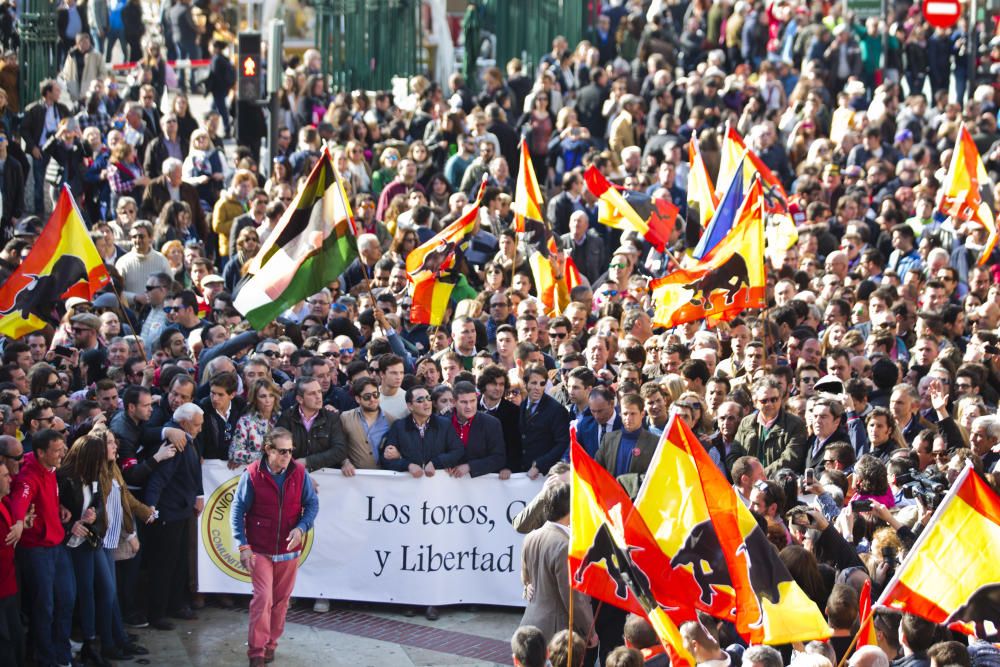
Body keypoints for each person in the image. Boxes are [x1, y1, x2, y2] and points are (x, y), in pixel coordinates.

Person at [231, 427, 319, 667]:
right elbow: (238, 510)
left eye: (291, 451)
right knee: (263, 598)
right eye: (282, 451)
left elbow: (312, 504)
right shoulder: (252, 474)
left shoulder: (299, 473)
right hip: (260, 549)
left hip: (288, 550)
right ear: (268, 450)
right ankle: (256, 652)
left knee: (281, 601)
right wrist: (242, 545)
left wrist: (301, 528)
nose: (287, 456)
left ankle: (271, 644)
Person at [7, 428, 76, 667]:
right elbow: (21, 500)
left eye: (62, 448)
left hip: (57, 546)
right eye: (57, 451)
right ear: (40, 452)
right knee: (44, 607)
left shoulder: (50, 468)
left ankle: (62, 654)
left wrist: (60, 507)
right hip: (37, 551)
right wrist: (16, 522)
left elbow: (48, 496)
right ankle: (46, 659)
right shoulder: (28, 475)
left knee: (66, 600)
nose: (62, 454)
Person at [143, 402, 204, 631]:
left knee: (178, 562)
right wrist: (150, 507)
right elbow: (159, 478)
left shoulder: (187, 437)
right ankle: (157, 613)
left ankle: (176, 604)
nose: (199, 429)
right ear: (184, 423)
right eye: (196, 424)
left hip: (181, 509)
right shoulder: (175, 440)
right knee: (164, 564)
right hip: (168, 512)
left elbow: (195, 470)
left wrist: (198, 494)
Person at [518, 480, 593, 642]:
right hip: (555, 633)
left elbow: (526, 579)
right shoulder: (565, 545)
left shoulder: (531, 536)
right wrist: (589, 631)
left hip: (529, 624)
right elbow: (572, 598)